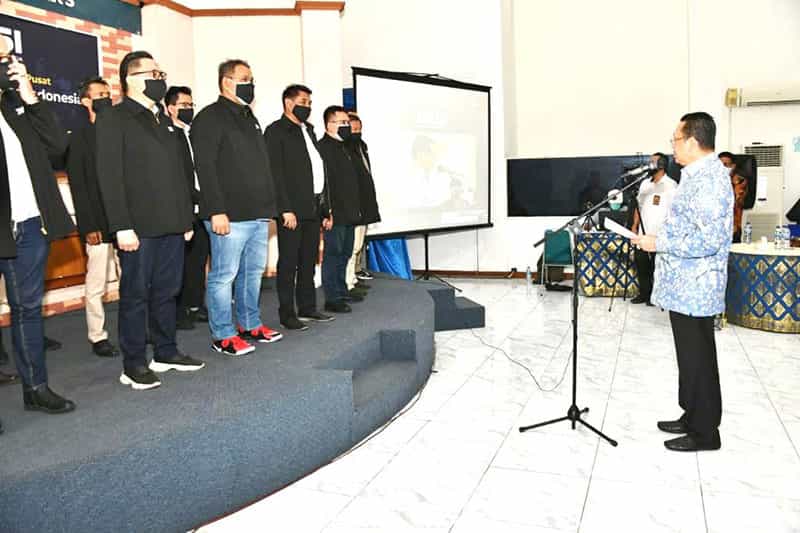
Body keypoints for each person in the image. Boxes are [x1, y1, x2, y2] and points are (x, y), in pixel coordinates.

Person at [96, 51, 205, 390]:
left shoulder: (164, 120)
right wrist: (121, 226)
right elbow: (109, 177)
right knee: (135, 296)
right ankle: (133, 364)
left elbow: (179, 175)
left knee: (168, 291)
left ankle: (165, 351)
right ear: (130, 78)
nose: (160, 79)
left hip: (172, 223)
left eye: (161, 73)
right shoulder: (114, 117)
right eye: (152, 73)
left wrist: (185, 219)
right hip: (138, 228)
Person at [633, 112, 732, 452]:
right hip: (684, 286)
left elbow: (710, 240)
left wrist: (658, 242)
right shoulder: (694, 176)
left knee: (699, 359)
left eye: (675, 139)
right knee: (690, 358)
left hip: (697, 287)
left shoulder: (711, 181)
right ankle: (692, 416)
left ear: (692, 141)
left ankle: (706, 433)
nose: (672, 146)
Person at [0, 44, 76, 414]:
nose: (9, 65)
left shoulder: (15, 106)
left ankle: (36, 388)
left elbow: (58, 146)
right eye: (1, 60)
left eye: (9, 59)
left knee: (27, 308)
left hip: (30, 225)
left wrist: (31, 98)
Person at [191, 59, 283, 356]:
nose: (250, 84)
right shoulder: (209, 118)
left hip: (257, 213)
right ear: (226, 82)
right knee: (223, 276)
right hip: (228, 215)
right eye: (245, 79)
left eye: (252, 79)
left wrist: (270, 207)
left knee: (252, 274)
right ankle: (223, 335)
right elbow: (205, 167)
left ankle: (250, 324)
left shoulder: (249, 117)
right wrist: (215, 210)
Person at [264, 84, 334, 331]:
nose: (308, 107)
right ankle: (287, 313)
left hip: (312, 207)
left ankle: (308, 307)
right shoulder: (276, 131)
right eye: (303, 102)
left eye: (309, 103)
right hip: (291, 210)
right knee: (288, 262)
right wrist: (284, 209)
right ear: (288, 103)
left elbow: (318, 171)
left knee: (308, 261)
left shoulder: (309, 130)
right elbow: (275, 173)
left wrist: (325, 209)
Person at [66, 76, 120, 358]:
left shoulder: (118, 132)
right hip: (97, 223)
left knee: (133, 280)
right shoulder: (80, 137)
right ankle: (98, 336)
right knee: (97, 283)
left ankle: (136, 329)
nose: (106, 98)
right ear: (86, 101)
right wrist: (88, 225)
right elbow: (79, 184)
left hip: (124, 222)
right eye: (100, 94)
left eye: (108, 94)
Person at [164, 85, 210, 330]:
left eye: (191, 105)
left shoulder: (193, 134)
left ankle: (195, 304)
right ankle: (178, 310)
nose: (189, 109)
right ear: (170, 108)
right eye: (184, 105)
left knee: (198, 259)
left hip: (201, 206)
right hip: (181, 206)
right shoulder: (167, 135)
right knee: (178, 262)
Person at [317, 106, 363, 313]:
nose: (346, 126)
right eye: (342, 122)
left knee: (345, 253)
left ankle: (342, 290)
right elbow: (322, 184)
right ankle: (332, 298)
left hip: (350, 211)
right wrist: (326, 212)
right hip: (334, 212)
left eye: (347, 122)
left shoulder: (345, 146)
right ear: (329, 125)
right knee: (333, 254)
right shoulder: (323, 148)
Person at [629, 152, 677, 305]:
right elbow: (639, 207)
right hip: (643, 233)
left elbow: (675, 212)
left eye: (653, 162)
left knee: (657, 267)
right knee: (641, 265)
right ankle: (644, 294)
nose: (649, 165)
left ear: (661, 165)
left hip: (660, 236)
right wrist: (635, 225)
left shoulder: (671, 185)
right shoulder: (645, 184)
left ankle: (656, 297)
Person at [344, 111, 380, 291]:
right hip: (353, 205)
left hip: (364, 203)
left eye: (359, 129)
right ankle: (348, 282)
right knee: (352, 246)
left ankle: (353, 278)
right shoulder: (345, 149)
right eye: (354, 129)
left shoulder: (361, 146)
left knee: (358, 245)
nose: (357, 133)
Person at [719, 151, 748, 243]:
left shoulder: (740, 181)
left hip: (732, 227)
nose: (722, 167)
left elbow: (736, 201)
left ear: (733, 166)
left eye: (726, 165)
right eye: (720, 165)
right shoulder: (711, 180)